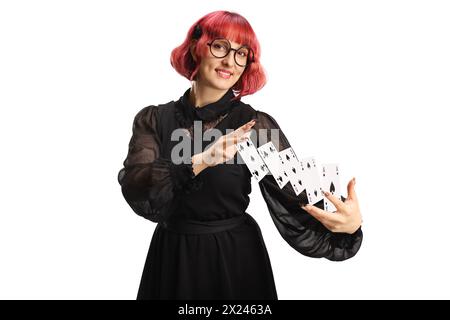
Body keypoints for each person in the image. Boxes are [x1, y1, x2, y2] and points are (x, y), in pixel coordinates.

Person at [117, 10, 363, 300]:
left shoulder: (255, 126)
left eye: (241, 53)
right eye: (220, 46)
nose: (229, 62)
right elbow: (138, 188)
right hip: (172, 258)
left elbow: (295, 200)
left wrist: (348, 226)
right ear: (197, 48)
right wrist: (201, 160)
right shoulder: (154, 119)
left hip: (235, 261)